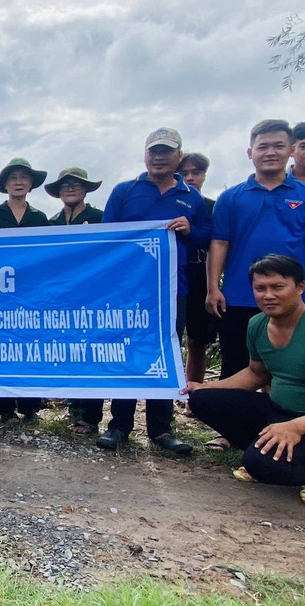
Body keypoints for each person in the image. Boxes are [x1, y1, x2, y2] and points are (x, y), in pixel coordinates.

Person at [185, 254, 305, 508]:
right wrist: (206, 387)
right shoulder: (257, 324)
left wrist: (296, 427)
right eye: (260, 288)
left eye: (277, 287)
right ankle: (267, 449)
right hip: (280, 414)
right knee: (202, 399)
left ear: (300, 287)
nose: (268, 295)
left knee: (257, 464)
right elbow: (256, 373)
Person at [206, 118, 305, 392]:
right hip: (240, 295)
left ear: (290, 149)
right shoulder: (231, 198)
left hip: (294, 297)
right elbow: (219, 244)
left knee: (293, 365)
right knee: (236, 362)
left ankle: (287, 426)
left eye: (278, 145)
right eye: (262, 146)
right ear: (250, 153)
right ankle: (231, 432)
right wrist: (212, 288)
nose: (270, 152)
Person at [99, 128, 210, 454]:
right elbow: (106, 239)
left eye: (166, 151)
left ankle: (161, 430)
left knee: (167, 355)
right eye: (153, 151)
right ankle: (119, 425)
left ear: (179, 155)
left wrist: (191, 230)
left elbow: (207, 236)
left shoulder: (192, 197)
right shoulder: (124, 191)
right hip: (129, 291)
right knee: (127, 354)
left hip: (173, 291)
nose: (159, 157)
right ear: (145, 155)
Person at [0, 158, 49, 423]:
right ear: (5, 184)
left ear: (31, 183)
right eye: (13, 178)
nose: (19, 182)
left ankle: (31, 407)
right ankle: (4, 409)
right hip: (0, 292)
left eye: (24, 177)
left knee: (28, 347)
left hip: (31, 291)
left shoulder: (40, 218)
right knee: (1, 348)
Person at [45, 167, 105, 433]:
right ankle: (73, 407)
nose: (70, 189)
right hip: (61, 296)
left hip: (92, 295)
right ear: (58, 192)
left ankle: (91, 416)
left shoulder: (102, 218)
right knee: (69, 350)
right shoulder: (51, 223)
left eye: (76, 184)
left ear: (86, 189)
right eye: (65, 185)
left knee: (90, 350)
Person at [178, 152, 218, 386]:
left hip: (201, 275)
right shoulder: (171, 202)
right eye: (184, 173)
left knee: (197, 339)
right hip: (172, 275)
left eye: (196, 172)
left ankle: (194, 391)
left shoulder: (213, 207)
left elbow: (218, 243)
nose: (190, 178)